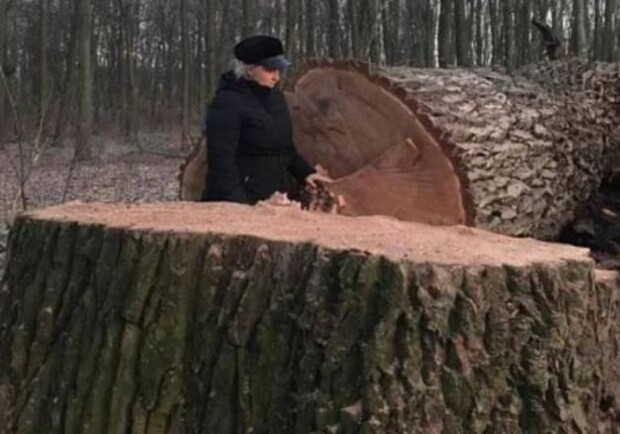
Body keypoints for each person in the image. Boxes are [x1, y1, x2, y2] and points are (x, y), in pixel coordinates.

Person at [201, 35, 331, 204]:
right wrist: (237, 206)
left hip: (276, 199)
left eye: (278, 70)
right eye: (270, 70)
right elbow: (222, 162)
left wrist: (306, 173)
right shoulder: (227, 103)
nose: (276, 77)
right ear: (249, 70)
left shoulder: (275, 98)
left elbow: (284, 149)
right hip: (241, 199)